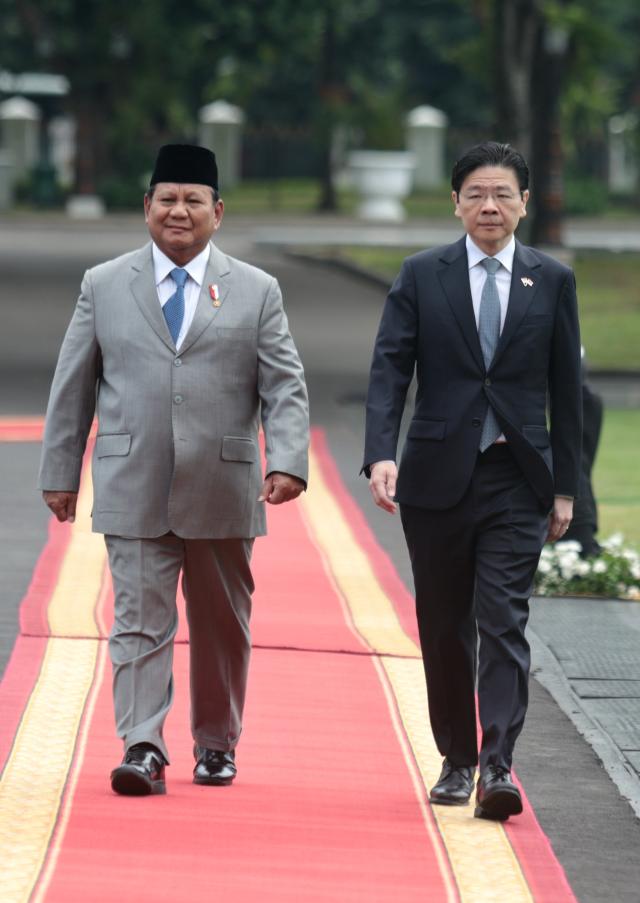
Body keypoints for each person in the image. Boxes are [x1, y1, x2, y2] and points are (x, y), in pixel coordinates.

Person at [39, 144, 309, 796]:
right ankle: (142, 744)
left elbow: (285, 384)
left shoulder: (257, 290)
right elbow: (72, 384)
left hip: (223, 483)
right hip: (133, 477)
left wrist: (290, 460)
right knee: (137, 618)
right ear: (146, 207)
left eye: (193, 201)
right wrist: (61, 469)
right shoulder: (104, 285)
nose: (178, 211)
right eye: (166, 199)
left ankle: (216, 744)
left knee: (221, 626)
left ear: (217, 211)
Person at [363, 142, 581, 821]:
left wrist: (567, 487)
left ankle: (498, 762)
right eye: (477, 194)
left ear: (523, 203)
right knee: (444, 622)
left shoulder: (551, 280)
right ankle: (457, 757)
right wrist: (381, 453)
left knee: (505, 618)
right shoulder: (423, 274)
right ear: (456, 202)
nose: (490, 206)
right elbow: (389, 369)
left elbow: (565, 392)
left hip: (517, 477)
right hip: (435, 476)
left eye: (504, 194)